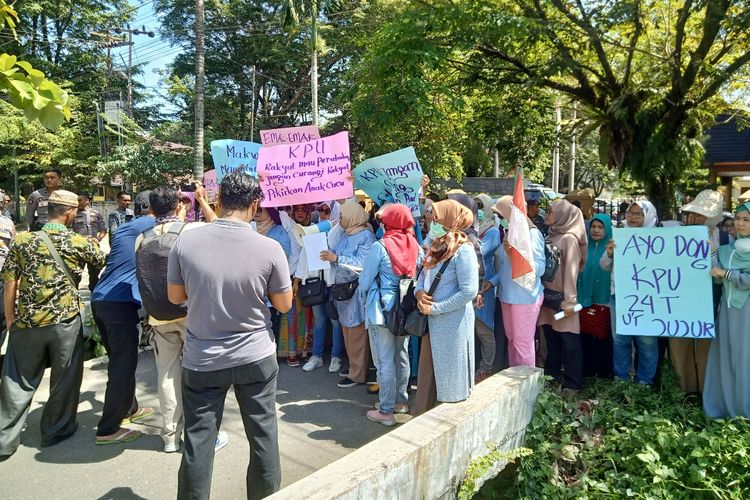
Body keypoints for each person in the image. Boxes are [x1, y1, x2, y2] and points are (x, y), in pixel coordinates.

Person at [167, 172, 292, 500]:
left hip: (202, 359)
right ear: (255, 204)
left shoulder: (186, 241)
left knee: (199, 443)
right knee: (264, 438)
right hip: (256, 356)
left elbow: (175, 296)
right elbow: (284, 304)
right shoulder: (270, 247)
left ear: (218, 201)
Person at [0, 190, 105, 460]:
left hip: (26, 322)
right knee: (64, 379)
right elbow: (101, 260)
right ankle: (56, 430)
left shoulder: (22, 240)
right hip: (64, 322)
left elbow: (10, 281)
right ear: (69, 213)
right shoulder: (78, 241)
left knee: (17, 381)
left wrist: (10, 317)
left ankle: (4, 440)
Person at [91, 196, 157, 445]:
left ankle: (129, 409)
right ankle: (107, 429)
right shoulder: (150, 226)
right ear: (152, 209)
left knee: (123, 361)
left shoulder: (126, 229)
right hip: (119, 306)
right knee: (122, 366)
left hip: (102, 301)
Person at [360, 204, 421, 425]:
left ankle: (385, 411)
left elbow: (365, 281)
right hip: (406, 309)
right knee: (401, 356)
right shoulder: (415, 245)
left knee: (384, 361)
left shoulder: (381, 246)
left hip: (382, 310)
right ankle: (399, 401)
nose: (382, 223)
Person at [415, 199, 479, 408]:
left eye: (436, 217)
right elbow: (423, 275)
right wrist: (419, 292)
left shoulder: (464, 250)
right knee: (429, 372)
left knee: (450, 376)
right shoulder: (436, 244)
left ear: (449, 219)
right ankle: (423, 415)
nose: (432, 220)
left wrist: (436, 308)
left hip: (452, 324)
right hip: (431, 321)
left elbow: (469, 291)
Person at [601, 200, 660, 385]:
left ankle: (644, 382)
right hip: (619, 296)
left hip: (647, 299)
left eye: (638, 214)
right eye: (630, 213)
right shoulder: (620, 235)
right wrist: (609, 253)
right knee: (620, 340)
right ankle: (621, 379)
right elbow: (604, 266)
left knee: (647, 343)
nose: (632, 217)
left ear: (648, 216)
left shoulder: (658, 239)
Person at [670, 190, 723, 393]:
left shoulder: (725, 238)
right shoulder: (681, 232)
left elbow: (720, 275)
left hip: (710, 300)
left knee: (705, 348)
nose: (698, 217)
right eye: (696, 213)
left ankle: (705, 392)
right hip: (681, 297)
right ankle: (683, 389)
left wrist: (709, 252)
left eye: (703, 213)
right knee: (678, 343)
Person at [321, 201, 376, 388]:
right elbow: (338, 253)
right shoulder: (347, 233)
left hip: (356, 292)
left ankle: (358, 374)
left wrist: (336, 258)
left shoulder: (366, 236)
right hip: (344, 292)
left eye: (343, 215)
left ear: (353, 216)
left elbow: (362, 264)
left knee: (357, 334)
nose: (341, 218)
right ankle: (355, 367)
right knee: (348, 331)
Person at [703, 202, 750, 418]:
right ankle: (724, 406)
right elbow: (716, 276)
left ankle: (744, 409)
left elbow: (729, 276)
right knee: (727, 355)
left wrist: (727, 274)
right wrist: (712, 252)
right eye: (737, 219)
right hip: (728, 309)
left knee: (744, 358)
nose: (740, 224)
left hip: (747, 312)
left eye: (746, 220)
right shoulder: (728, 250)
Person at [538, 199, 588, 393]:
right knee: (552, 340)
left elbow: (571, 271)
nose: (546, 214)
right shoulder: (552, 234)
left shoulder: (569, 239)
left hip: (563, 299)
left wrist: (570, 301)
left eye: (550, 211)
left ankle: (573, 384)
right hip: (549, 296)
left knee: (570, 341)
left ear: (563, 215)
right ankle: (551, 376)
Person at [491, 196, 546, 368]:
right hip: (506, 294)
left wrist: (516, 256)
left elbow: (540, 267)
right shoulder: (509, 233)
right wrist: (493, 281)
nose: (500, 220)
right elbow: (503, 268)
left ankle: (527, 388)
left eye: (501, 215)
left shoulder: (532, 233)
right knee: (512, 340)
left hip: (525, 296)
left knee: (522, 343)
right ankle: (514, 383)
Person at [577, 214, 614, 378]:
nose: (596, 230)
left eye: (600, 227)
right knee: (586, 335)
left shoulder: (612, 247)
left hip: (605, 300)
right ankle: (588, 372)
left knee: (603, 337)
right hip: (585, 300)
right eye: (593, 227)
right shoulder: (585, 247)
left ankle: (604, 373)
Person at [473, 194, 502, 382]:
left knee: (484, 330)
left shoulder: (492, 231)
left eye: (479, 206)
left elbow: (481, 250)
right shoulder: (470, 230)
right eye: (473, 205)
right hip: (469, 284)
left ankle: (486, 368)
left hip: (485, 285)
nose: (476, 210)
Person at [72, 192, 107, 291]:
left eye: (79, 200)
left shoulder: (96, 213)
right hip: (78, 247)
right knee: (76, 274)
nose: (77, 203)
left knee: (94, 274)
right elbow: (68, 230)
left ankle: (94, 297)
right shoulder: (73, 214)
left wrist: (98, 239)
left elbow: (103, 229)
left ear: (87, 201)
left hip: (93, 247)